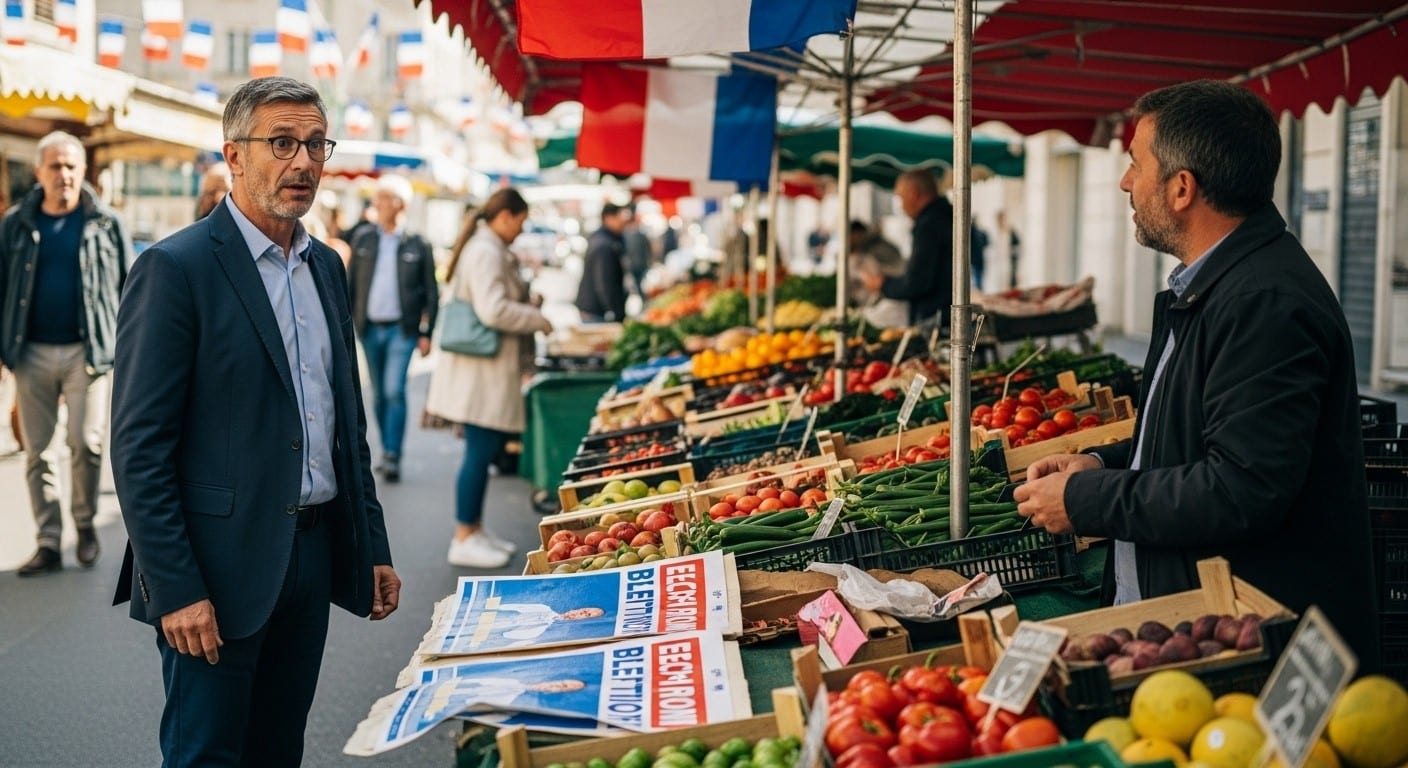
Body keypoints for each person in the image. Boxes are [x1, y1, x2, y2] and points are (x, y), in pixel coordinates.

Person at [1013, 80, 1380, 669]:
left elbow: (1242, 488)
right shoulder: (1214, 286)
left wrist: (1088, 499)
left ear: (1182, 188)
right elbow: (1195, 430)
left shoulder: (1263, 302)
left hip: (1246, 643)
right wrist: (1105, 463)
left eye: (1136, 163)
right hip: (1193, 620)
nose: (1125, 182)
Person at [109, 77, 401, 765]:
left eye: (314, 144)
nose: (302, 162)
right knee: (207, 754)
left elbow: (343, 425)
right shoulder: (174, 269)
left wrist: (373, 543)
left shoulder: (326, 266)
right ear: (234, 155)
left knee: (278, 750)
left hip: (311, 555)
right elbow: (139, 449)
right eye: (281, 143)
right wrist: (176, 587)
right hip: (215, 569)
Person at [0, 130, 134, 576]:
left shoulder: (106, 222)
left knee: (86, 441)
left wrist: (130, 348)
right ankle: (49, 540)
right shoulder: (16, 223)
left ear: (83, 171)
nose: (65, 175)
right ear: (39, 172)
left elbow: (129, 289)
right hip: (30, 351)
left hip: (88, 352)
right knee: (38, 450)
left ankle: (85, 524)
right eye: (56, 166)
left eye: (72, 166)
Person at [426, 189, 551, 569]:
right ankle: (464, 534)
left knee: (480, 451)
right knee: (478, 454)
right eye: (521, 221)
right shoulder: (486, 251)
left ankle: (474, 529)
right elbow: (493, 309)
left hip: (484, 372)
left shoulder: (488, 247)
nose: (521, 229)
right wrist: (537, 318)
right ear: (506, 216)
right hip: (480, 374)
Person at [346, 173, 438, 482]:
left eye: (383, 199)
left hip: (402, 330)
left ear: (400, 204)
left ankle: (393, 454)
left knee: (393, 390)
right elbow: (350, 285)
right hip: (369, 329)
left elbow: (431, 291)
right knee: (378, 395)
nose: (377, 204)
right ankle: (386, 448)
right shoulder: (363, 239)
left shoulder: (418, 243)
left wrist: (427, 334)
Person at [862, 168, 953, 327]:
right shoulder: (945, 215)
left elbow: (918, 282)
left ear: (913, 193)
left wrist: (883, 284)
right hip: (946, 311)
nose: (902, 206)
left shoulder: (930, 224)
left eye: (901, 198)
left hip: (937, 316)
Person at [576, 202, 630, 322]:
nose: (623, 223)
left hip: (594, 308)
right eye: (620, 218)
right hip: (596, 311)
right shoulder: (604, 245)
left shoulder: (604, 239)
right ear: (609, 218)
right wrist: (616, 313)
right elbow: (605, 282)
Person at [622, 209, 654, 301]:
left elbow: (648, 250)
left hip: (638, 264)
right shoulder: (627, 235)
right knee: (638, 284)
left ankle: (644, 299)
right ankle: (643, 299)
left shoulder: (632, 235)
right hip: (637, 264)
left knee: (639, 284)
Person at [970, 220, 989, 290]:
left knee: (978, 280)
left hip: (977, 259)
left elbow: (986, 243)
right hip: (976, 259)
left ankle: (979, 290)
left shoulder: (978, 233)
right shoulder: (975, 233)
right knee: (977, 280)